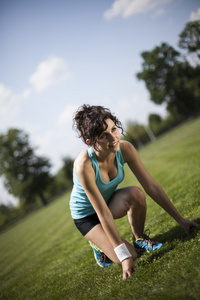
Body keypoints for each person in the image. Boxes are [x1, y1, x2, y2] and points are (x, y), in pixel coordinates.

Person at [69, 104, 199, 281]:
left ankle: (140, 239)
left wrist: (180, 219)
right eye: (103, 136)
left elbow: (151, 186)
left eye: (114, 129)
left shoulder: (125, 149)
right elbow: (102, 213)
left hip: (108, 203)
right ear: (90, 142)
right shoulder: (84, 165)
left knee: (136, 193)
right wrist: (124, 257)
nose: (113, 138)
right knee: (130, 256)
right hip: (88, 216)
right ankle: (98, 245)